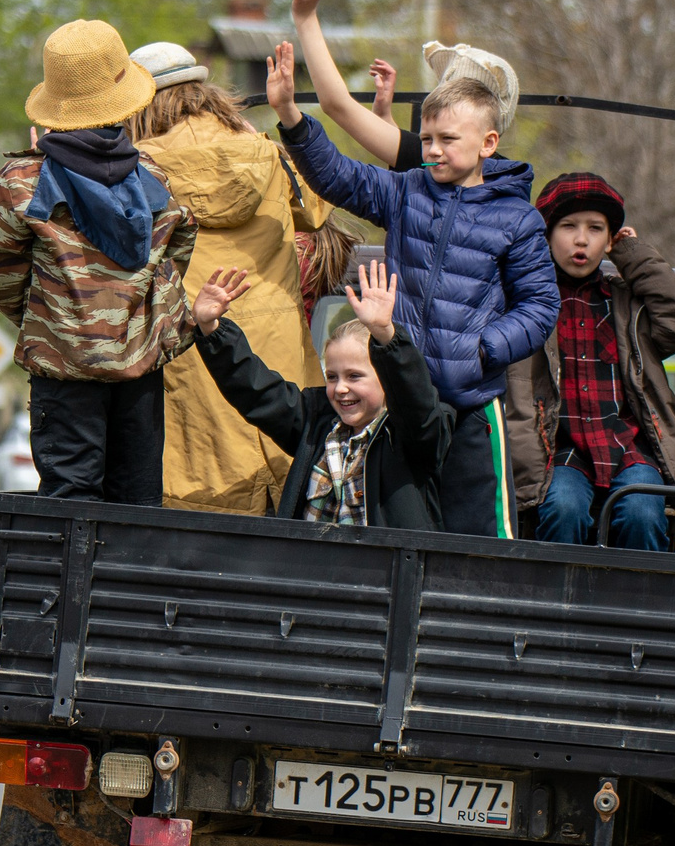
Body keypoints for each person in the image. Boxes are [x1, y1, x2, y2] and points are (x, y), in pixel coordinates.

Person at [263, 30, 557, 538]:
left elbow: (540, 306)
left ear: (489, 143)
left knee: (479, 543)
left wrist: (483, 349)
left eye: (448, 140)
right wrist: (290, 116)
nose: (434, 151)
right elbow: (336, 175)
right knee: (400, 537)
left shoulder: (518, 219)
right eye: (426, 140)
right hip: (402, 405)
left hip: (470, 410)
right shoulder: (405, 192)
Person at [0, 20, 197, 504]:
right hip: (140, 372)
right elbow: (178, 253)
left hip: (62, 374)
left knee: (70, 506)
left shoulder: (22, 182)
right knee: (136, 506)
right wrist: (139, 319)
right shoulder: (155, 180)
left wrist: (46, 317)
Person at [127, 40, 333, 514]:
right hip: (279, 366)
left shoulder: (133, 170)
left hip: (194, 362)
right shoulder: (267, 156)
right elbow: (319, 210)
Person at [501, 172, 675, 550]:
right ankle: (555, 604)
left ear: (610, 239)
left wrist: (632, 254)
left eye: (596, 229)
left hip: (627, 445)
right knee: (564, 507)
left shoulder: (626, 303)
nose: (581, 239)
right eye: (568, 226)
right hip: (558, 450)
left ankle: (635, 605)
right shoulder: (528, 302)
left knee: (643, 511)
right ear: (545, 235)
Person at [187, 259, 455, 530]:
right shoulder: (315, 421)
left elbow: (416, 403)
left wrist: (386, 336)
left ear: (387, 379)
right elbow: (256, 390)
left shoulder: (410, 437)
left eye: (354, 376)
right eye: (332, 377)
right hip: (312, 568)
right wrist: (212, 330)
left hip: (384, 569)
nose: (340, 388)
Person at [287, 0, 520, 170]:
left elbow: (337, 105)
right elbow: (404, 153)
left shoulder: (433, 161)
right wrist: (385, 118)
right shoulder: (506, 178)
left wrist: (306, 20)